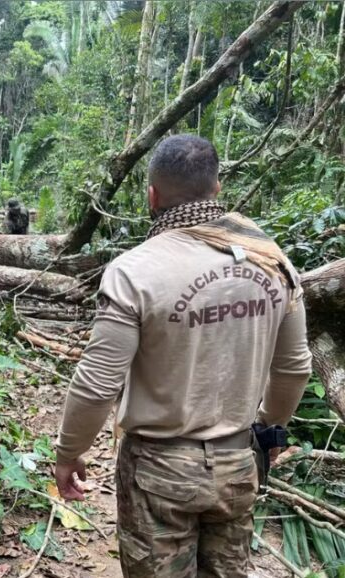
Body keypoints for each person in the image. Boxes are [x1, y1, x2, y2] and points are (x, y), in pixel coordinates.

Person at [54, 135, 312, 577]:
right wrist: (269, 430)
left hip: (158, 471)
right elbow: (294, 367)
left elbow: (98, 383)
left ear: (152, 195)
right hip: (237, 464)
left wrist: (69, 452)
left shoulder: (134, 271)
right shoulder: (272, 261)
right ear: (216, 188)